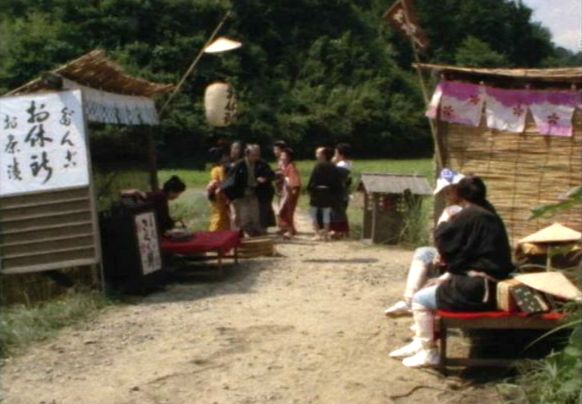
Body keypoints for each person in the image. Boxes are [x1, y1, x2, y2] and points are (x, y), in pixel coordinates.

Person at [389, 176, 513, 368]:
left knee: (419, 299)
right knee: (434, 285)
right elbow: (469, 253)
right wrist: (448, 275)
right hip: (489, 284)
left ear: (461, 194)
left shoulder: (469, 214)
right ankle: (420, 342)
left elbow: (445, 239)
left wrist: (445, 220)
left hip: (477, 290)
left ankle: (429, 351)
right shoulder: (488, 213)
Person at [384, 168, 465, 317]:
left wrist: (442, 253)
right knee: (423, 252)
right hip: (451, 253)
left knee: (424, 253)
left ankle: (410, 300)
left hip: (457, 257)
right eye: (445, 192)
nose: (446, 195)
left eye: (449, 191)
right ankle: (410, 299)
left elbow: (452, 237)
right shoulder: (456, 208)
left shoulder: (457, 210)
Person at [221, 144, 266, 236]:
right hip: (241, 194)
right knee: (243, 216)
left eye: (257, 155)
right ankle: (243, 234)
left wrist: (264, 178)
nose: (256, 157)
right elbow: (230, 179)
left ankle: (254, 233)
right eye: (253, 155)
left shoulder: (260, 164)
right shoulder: (239, 165)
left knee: (255, 215)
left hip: (254, 192)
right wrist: (229, 195)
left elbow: (269, 173)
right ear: (247, 154)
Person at [122, 176, 186, 235]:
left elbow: (163, 216)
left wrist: (173, 222)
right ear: (171, 191)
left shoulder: (161, 196)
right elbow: (161, 218)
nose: (177, 197)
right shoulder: (160, 196)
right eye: (178, 194)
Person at [307, 147, 342, 241]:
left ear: (323, 155)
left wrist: (310, 190)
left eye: (318, 153)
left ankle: (317, 233)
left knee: (313, 212)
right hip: (328, 193)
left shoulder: (318, 166)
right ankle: (326, 234)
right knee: (326, 213)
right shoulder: (332, 166)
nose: (316, 155)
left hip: (317, 192)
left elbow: (313, 180)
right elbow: (336, 182)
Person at [277, 148, 302, 238]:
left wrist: (294, 189)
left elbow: (295, 180)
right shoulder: (286, 167)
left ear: (289, 157)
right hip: (286, 191)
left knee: (287, 211)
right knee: (284, 211)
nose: (282, 157)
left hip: (290, 192)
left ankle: (289, 230)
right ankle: (286, 228)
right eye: (281, 156)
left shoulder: (291, 167)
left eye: (284, 156)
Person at [330, 143, 353, 238]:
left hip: (338, 193)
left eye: (336, 153)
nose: (334, 155)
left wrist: (332, 163)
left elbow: (333, 177)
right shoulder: (348, 164)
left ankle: (338, 231)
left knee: (337, 213)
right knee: (340, 212)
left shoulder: (341, 166)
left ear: (341, 155)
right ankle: (340, 231)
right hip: (343, 193)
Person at [207, 145, 231, 232]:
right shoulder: (217, 170)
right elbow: (216, 182)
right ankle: (214, 234)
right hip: (219, 197)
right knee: (219, 217)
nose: (227, 159)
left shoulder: (227, 169)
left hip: (225, 197)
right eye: (225, 158)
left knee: (226, 218)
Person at [255, 150, 277, 230]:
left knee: (264, 210)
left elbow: (272, 175)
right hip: (255, 191)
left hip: (265, 191)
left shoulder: (264, 164)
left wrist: (265, 179)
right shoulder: (247, 164)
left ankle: (263, 227)